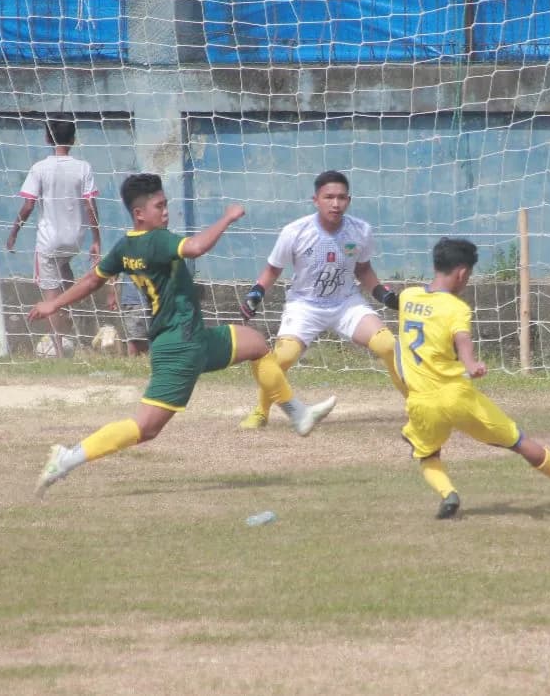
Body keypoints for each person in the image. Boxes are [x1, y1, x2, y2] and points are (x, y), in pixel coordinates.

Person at [29, 173, 336, 497]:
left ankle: (298, 413)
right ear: (140, 214)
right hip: (180, 348)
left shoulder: (125, 245)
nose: (166, 212)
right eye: (159, 206)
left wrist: (54, 304)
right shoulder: (158, 240)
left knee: (256, 344)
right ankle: (67, 458)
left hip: (191, 338)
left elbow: (92, 280)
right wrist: (227, 218)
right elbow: (196, 247)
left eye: (166, 205)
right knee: (145, 428)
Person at [396, 237, 550, 519]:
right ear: (462, 273)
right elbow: (462, 339)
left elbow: (388, 297)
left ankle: (449, 494)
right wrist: (471, 364)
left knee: (427, 454)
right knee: (517, 441)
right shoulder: (457, 309)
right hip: (458, 397)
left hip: (421, 401)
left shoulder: (408, 297)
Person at [237, 170, 407, 429]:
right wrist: (256, 293)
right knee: (282, 359)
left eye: (341, 197)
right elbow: (273, 269)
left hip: (346, 303)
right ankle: (261, 412)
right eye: (329, 197)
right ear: (315, 200)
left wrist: (384, 295)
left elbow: (363, 269)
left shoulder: (360, 230)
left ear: (349, 200)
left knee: (387, 345)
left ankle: (417, 405)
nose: (335, 203)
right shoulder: (295, 231)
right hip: (304, 305)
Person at [7, 119, 101, 358]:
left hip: (49, 242)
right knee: (65, 268)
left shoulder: (40, 168)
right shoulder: (84, 167)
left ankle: (59, 350)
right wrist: (96, 239)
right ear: (73, 139)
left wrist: (14, 231)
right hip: (75, 240)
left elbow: (28, 205)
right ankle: (68, 315)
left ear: (47, 139)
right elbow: (91, 205)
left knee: (51, 297)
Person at [108, 275, 152, 357]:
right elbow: (113, 271)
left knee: (138, 340)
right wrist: (112, 294)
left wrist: (112, 295)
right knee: (136, 340)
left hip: (150, 300)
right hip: (136, 300)